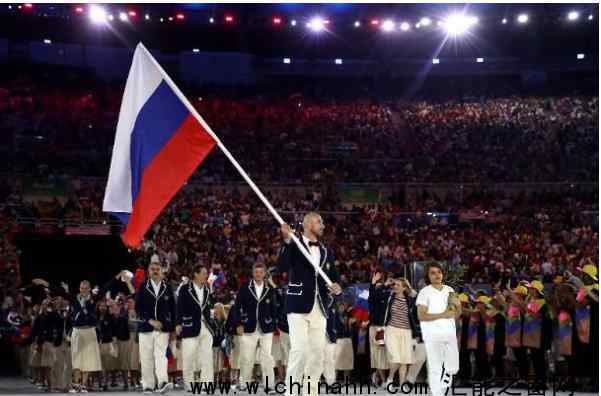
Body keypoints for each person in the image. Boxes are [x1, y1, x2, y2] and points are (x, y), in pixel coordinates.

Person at [278, 212, 342, 396]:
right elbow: (281, 267)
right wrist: (287, 241)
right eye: (319, 221)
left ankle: (310, 392)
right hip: (297, 305)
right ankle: (291, 391)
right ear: (307, 224)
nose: (323, 225)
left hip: (320, 307)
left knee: (317, 354)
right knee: (300, 350)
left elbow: (334, 278)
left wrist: (337, 287)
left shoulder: (326, 251)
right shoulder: (294, 244)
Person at [230, 262, 278, 393]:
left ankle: (269, 385)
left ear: (264, 274)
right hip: (247, 327)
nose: (258, 274)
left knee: (267, 358)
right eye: (256, 272)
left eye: (261, 272)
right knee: (246, 357)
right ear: (253, 273)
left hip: (266, 328)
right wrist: (238, 324)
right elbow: (236, 307)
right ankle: (244, 383)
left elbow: (275, 308)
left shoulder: (270, 289)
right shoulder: (245, 287)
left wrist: (273, 324)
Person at [416, 262, 461, 396]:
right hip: (432, 334)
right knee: (435, 367)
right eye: (433, 273)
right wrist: (443, 315)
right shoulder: (425, 292)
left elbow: (455, 315)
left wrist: (458, 307)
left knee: (453, 366)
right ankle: (437, 393)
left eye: (439, 272)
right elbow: (421, 316)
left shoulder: (450, 290)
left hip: (449, 333)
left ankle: (444, 383)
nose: (437, 275)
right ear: (428, 276)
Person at [135, 260, 177, 394]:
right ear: (148, 271)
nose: (155, 271)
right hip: (146, 328)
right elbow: (138, 307)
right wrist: (150, 320)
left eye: (157, 269)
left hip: (163, 328)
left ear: (162, 271)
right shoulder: (143, 286)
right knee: (146, 357)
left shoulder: (167, 287)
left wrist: (174, 327)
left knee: (161, 356)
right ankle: (148, 385)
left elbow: (173, 308)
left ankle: (162, 382)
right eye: (153, 269)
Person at [371, 273, 418, 389]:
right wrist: (384, 285)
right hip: (391, 330)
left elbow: (416, 295)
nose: (395, 286)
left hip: (406, 332)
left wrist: (408, 286)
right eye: (394, 284)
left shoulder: (409, 300)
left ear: (404, 287)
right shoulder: (389, 296)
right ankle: (390, 379)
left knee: (404, 361)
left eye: (398, 285)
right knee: (395, 357)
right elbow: (374, 296)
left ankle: (401, 384)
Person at [175, 264, 215, 393]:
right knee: (188, 357)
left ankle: (206, 385)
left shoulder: (207, 289)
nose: (206, 275)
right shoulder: (185, 288)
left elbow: (209, 306)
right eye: (204, 273)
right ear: (196, 274)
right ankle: (190, 384)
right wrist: (178, 323)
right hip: (190, 326)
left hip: (206, 328)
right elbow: (179, 307)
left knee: (207, 357)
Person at [368, 272, 389, 387]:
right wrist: (373, 283)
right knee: (377, 355)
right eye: (376, 287)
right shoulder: (372, 298)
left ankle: (377, 375)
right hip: (375, 328)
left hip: (385, 328)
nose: (378, 288)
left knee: (384, 356)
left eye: (379, 287)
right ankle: (383, 380)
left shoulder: (386, 297)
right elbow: (374, 295)